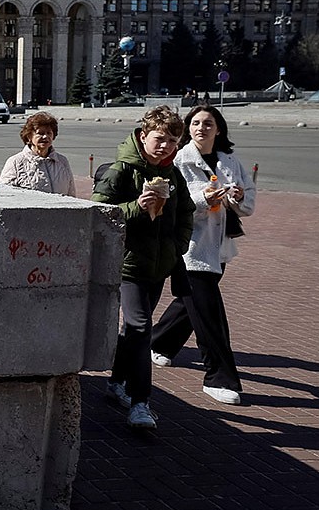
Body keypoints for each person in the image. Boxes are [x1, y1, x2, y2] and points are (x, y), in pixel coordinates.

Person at [91, 105, 194, 429]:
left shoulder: (172, 173)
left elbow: (187, 212)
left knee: (132, 331)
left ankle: (115, 384)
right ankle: (141, 403)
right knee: (140, 327)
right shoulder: (122, 169)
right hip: (129, 264)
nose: (166, 146)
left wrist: (178, 246)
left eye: (173, 141)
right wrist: (136, 207)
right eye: (160, 139)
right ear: (144, 134)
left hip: (159, 266)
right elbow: (97, 213)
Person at [150, 105, 256, 405]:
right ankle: (219, 377)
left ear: (218, 129)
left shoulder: (229, 162)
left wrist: (237, 197)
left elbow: (248, 205)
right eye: (195, 123)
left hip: (219, 248)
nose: (201, 128)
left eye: (208, 123)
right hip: (190, 250)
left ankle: (158, 343)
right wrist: (202, 198)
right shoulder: (179, 161)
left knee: (189, 305)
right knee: (210, 314)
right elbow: (169, 205)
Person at [0, 111, 76, 196]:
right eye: (40, 133)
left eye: (49, 133)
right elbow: (5, 194)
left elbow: (71, 193)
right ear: (29, 136)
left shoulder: (62, 161)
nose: (45, 137)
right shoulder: (15, 162)